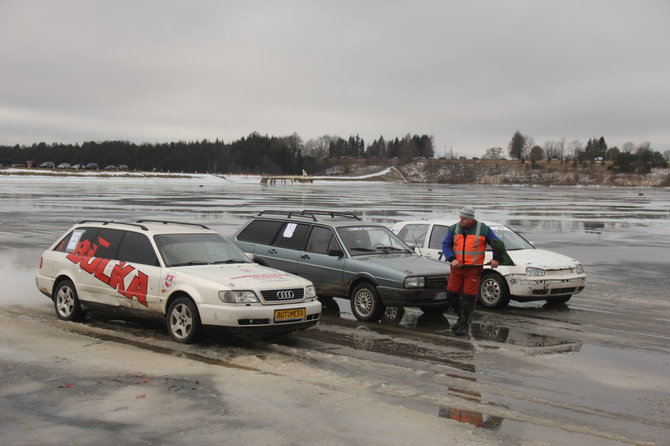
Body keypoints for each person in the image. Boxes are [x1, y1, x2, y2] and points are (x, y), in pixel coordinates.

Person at [442, 206, 502, 336]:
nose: (461, 220)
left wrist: (496, 259)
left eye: (464, 218)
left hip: (473, 270)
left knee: (468, 298)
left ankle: (464, 324)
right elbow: (446, 245)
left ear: (471, 219)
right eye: (460, 217)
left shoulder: (483, 229)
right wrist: (451, 258)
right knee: (451, 295)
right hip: (457, 269)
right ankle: (462, 318)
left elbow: (497, 243)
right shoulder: (454, 228)